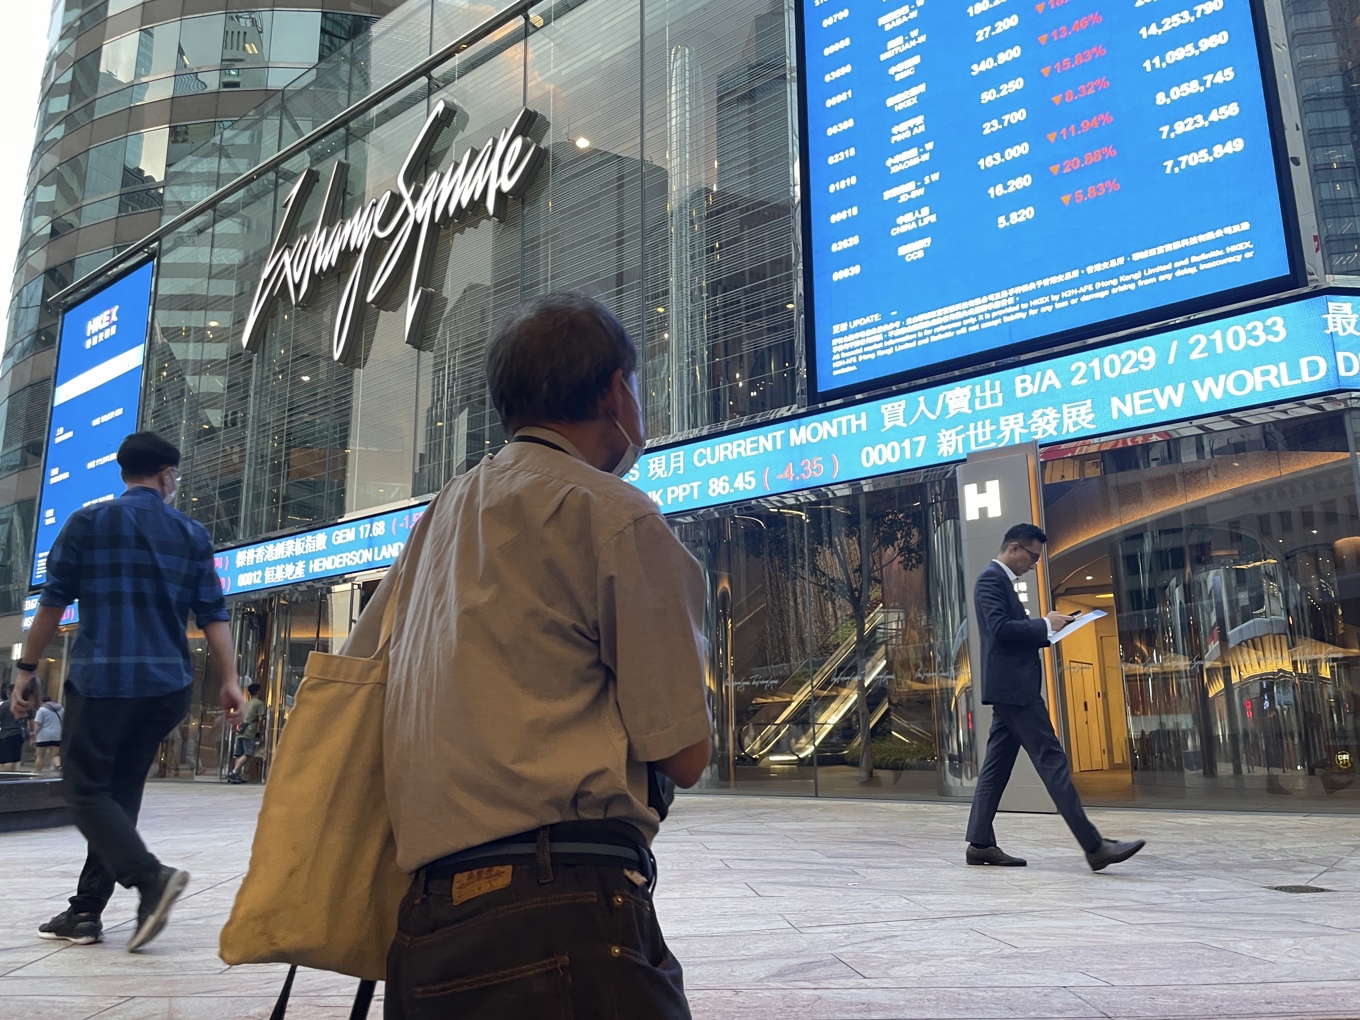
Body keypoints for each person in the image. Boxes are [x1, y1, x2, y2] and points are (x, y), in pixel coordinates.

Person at [383, 293, 713, 1019]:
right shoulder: (615, 514)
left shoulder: (440, 516)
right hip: (563, 913)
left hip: (430, 923)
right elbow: (683, 753)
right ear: (613, 390)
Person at [10, 431, 244, 951]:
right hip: (168, 687)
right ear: (166, 476)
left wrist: (26, 667)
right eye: (175, 476)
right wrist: (229, 680)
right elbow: (213, 616)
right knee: (119, 795)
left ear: (124, 472)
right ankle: (86, 911)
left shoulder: (87, 522)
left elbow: (52, 604)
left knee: (83, 789)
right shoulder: (190, 532)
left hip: (106, 680)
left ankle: (150, 878)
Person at [965, 523, 1146, 872]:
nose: (1033, 565)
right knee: (1053, 762)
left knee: (996, 769)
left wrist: (1050, 629)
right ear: (1015, 548)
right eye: (1032, 557)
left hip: (1011, 689)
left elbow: (1008, 633)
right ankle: (1094, 847)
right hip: (1015, 690)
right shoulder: (991, 579)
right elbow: (999, 630)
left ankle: (980, 843)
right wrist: (1045, 624)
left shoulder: (1000, 581)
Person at [227, 683, 265, 783]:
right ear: (257, 691)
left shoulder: (246, 704)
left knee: (239, 754)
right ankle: (234, 772)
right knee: (248, 754)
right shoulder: (259, 703)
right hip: (249, 731)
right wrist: (259, 731)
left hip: (240, 731)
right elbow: (261, 719)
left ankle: (235, 776)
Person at [0, 691, 29, 772]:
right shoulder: (24, 704)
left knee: (5, 758)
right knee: (15, 758)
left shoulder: (4, 705)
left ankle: (5, 777)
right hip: (20, 733)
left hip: (6, 733)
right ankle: (13, 775)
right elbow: (31, 719)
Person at [33, 699, 64, 773]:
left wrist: (34, 733)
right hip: (57, 735)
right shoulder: (61, 709)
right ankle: (59, 767)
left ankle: (38, 771)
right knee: (55, 755)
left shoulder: (41, 710)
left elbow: (38, 724)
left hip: (43, 735)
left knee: (40, 756)